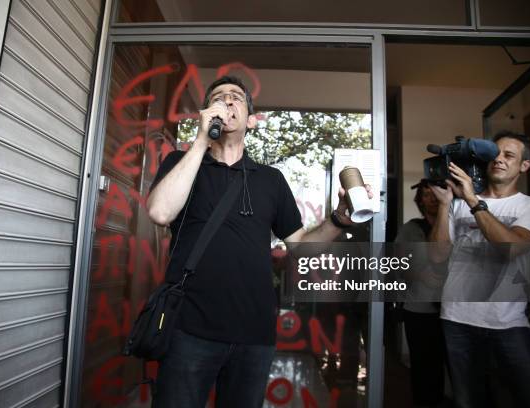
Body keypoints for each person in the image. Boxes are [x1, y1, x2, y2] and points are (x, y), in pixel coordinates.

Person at [146, 75, 370, 407]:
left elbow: (300, 248)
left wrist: (338, 221)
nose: (226, 101)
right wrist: (200, 142)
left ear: (251, 119)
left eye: (235, 97)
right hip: (187, 331)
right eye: (217, 97)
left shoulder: (271, 180)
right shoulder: (181, 163)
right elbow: (160, 212)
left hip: (254, 335)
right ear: (206, 112)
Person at [429, 131, 530, 408]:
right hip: (456, 318)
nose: (498, 160)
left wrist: (473, 201)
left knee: (525, 398)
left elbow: (511, 248)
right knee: (467, 401)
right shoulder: (456, 204)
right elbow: (437, 256)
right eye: (493, 154)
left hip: (507, 322)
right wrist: (444, 205)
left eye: (509, 155)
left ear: (524, 166)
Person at [395, 180, 447, 407]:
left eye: (435, 193)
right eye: (426, 194)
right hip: (419, 309)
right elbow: (397, 263)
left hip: (453, 310)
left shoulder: (454, 224)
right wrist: (419, 275)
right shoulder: (411, 228)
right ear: (420, 200)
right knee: (424, 368)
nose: (432, 198)